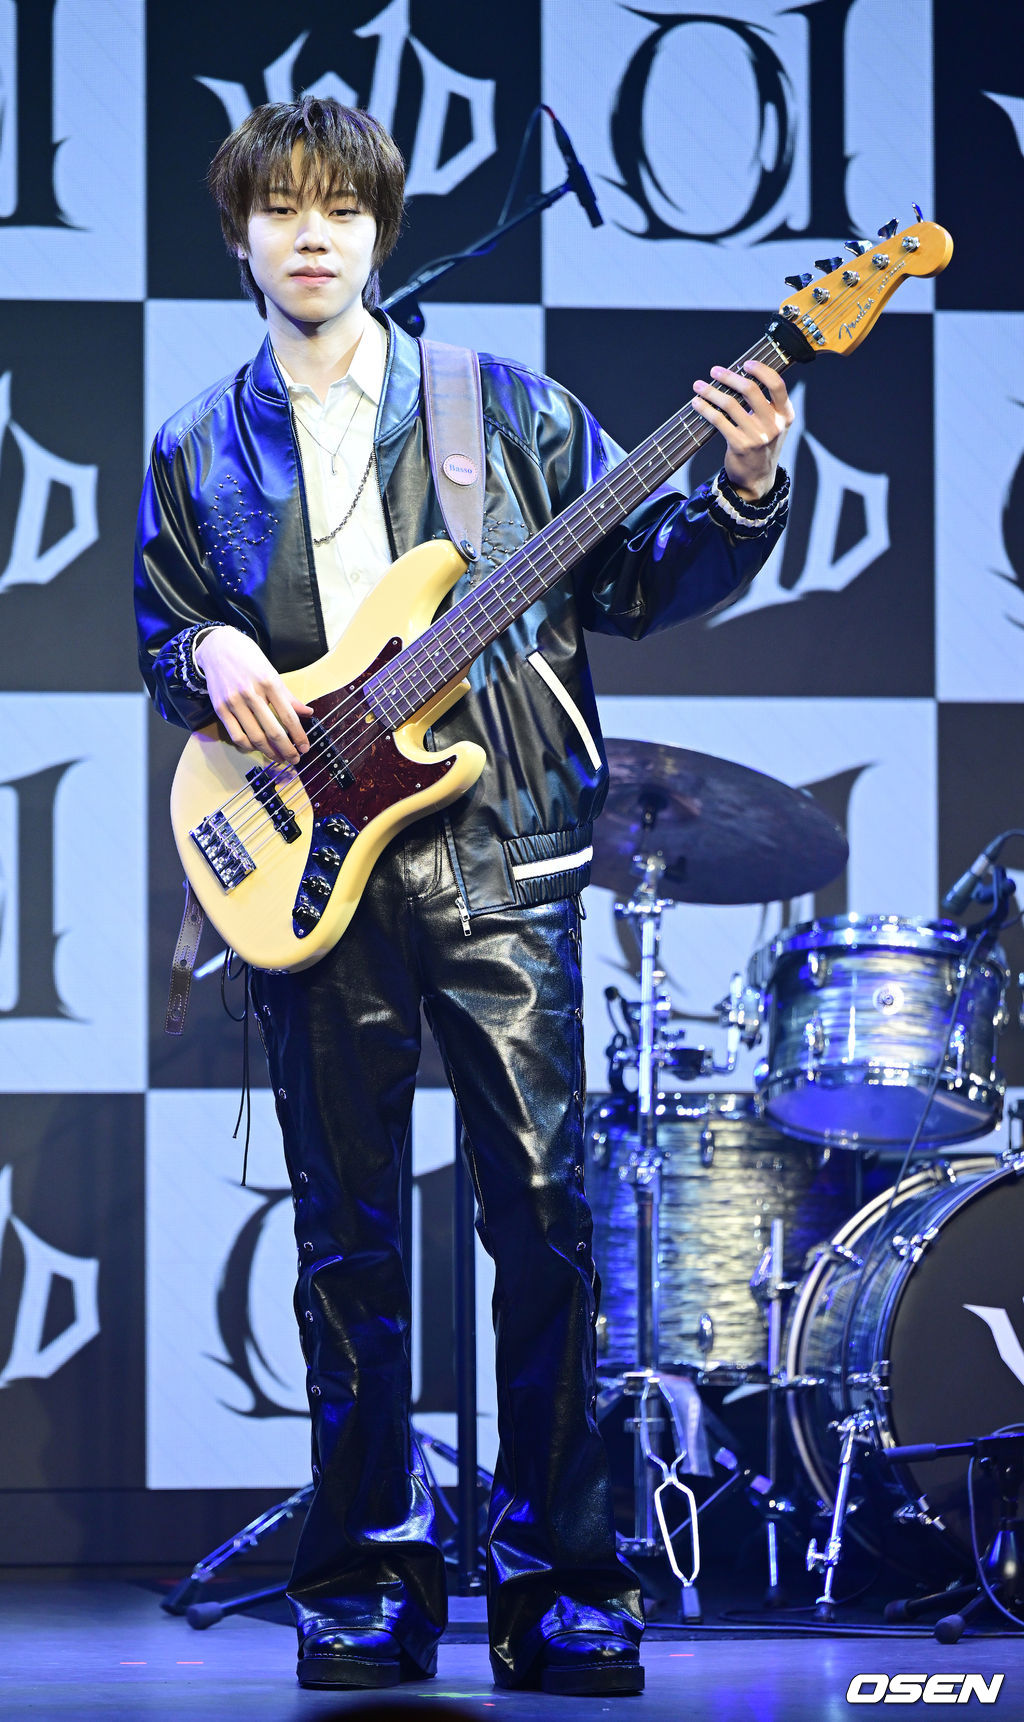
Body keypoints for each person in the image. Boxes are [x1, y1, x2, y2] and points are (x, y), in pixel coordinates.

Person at [134, 96, 793, 1696]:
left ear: (379, 232)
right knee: (346, 1240)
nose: (311, 233)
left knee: (547, 1224)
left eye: (340, 209)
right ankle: (365, 1573)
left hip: (503, 854)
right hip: (311, 863)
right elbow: (163, 626)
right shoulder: (195, 446)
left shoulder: (503, 410)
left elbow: (635, 581)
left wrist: (747, 483)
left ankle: (562, 1581)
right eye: (281, 208)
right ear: (239, 238)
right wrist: (205, 653)